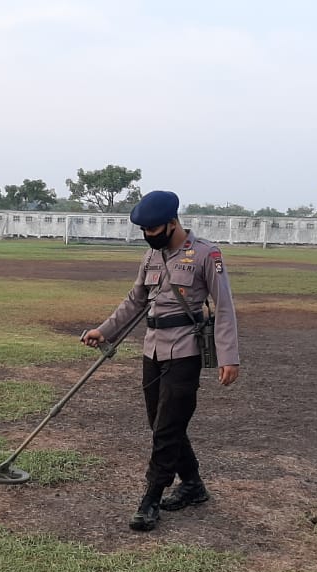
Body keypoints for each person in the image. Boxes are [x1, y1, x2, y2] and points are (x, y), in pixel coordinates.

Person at [81, 190, 240, 531]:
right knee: (160, 423)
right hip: (152, 350)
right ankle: (193, 484)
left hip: (185, 352)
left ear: (172, 223)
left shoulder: (206, 254)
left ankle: (151, 497)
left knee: (167, 429)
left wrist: (229, 356)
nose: (147, 235)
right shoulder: (151, 257)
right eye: (144, 230)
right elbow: (135, 300)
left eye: (152, 229)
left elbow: (224, 306)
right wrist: (104, 331)